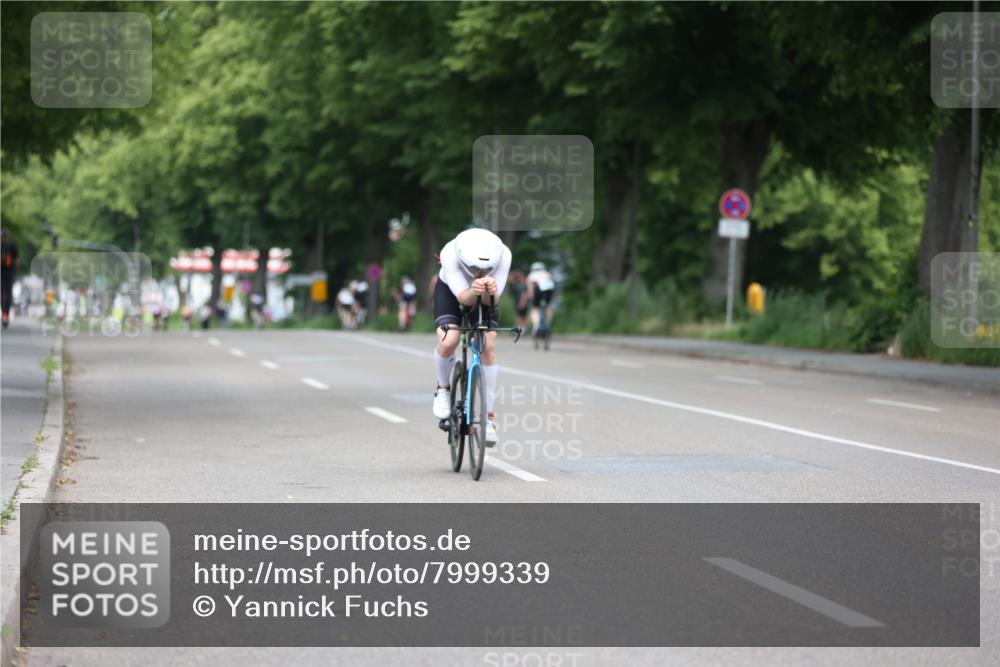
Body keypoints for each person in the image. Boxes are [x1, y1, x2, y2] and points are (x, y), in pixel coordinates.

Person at [432, 228, 512, 445]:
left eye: (487, 269)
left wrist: (491, 292)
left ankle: (488, 418)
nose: (481, 271)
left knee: (488, 347)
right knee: (449, 340)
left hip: (484, 295)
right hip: (451, 291)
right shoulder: (449, 253)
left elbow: (492, 303)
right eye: (475, 268)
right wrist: (477, 290)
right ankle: (443, 389)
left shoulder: (504, 254)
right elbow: (464, 298)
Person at [526, 261, 555, 335]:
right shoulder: (547, 274)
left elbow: (530, 288)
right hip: (549, 290)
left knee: (535, 309)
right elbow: (553, 286)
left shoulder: (531, 275)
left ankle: (536, 326)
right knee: (548, 307)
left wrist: (531, 297)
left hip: (538, 290)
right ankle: (547, 324)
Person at [1, 229, 19, 329]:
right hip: (8, 274)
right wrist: (15, 273)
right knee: (7, 296)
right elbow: (16, 261)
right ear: (8, 237)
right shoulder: (12, 247)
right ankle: (5, 316)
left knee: (2, 296)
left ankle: (4, 315)